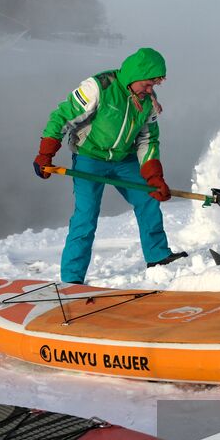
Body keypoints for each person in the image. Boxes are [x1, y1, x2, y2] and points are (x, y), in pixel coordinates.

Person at [34, 47, 187, 284]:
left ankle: (157, 256)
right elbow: (62, 117)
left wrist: (154, 176)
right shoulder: (98, 87)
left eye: (154, 86)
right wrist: (46, 154)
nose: (150, 90)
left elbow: (148, 140)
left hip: (123, 160)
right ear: (135, 75)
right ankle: (72, 279)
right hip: (89, 158)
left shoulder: (147, 103)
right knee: (86, 215)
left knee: (148, 198)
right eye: (147, 84)